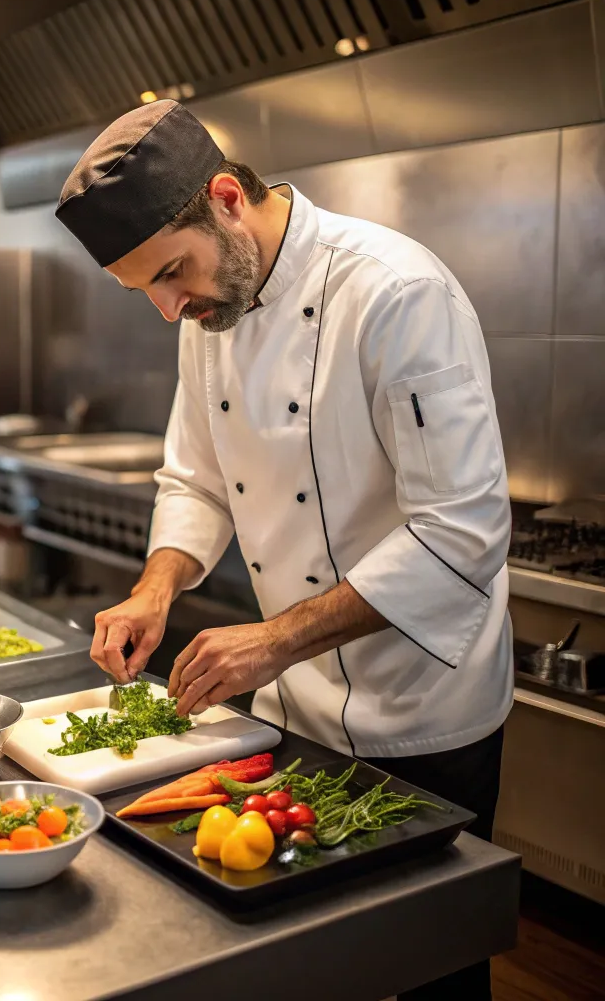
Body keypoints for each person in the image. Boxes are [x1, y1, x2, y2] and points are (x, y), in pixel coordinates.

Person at [56, 100, 512, 1000]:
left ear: (226, 197)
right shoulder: (206, 316)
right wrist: (156, 590)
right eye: (143, 288)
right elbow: (195, 481)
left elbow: (463, 529)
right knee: (316, 958)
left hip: (423, 703)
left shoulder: (394, 293)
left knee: (428, 970)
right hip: (296, 707)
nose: (166, 307)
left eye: (171, 273)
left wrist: (271, 641)